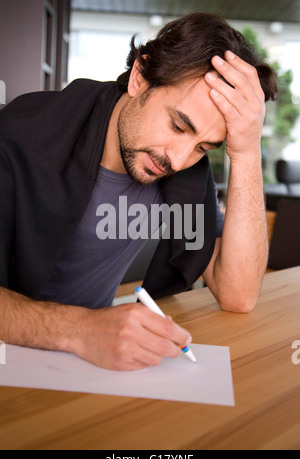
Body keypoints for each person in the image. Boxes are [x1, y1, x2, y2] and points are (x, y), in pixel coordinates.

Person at [0, 13, 278, 371]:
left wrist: (246, 152)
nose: (178, 160)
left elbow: (237, 294)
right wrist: (80, 330)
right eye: (178, 125)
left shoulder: (183, 170)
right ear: (139, 78)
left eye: (203, 147)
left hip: (89, 367)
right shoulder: (18, 141)